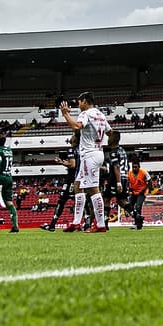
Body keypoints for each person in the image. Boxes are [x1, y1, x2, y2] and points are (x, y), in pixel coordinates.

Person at [58, 92, 111, 233]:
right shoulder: (100, 114)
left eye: (79, 102)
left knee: (93, 189)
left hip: (89, 155)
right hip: (98, 152)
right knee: (77, 184)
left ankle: (100, 224)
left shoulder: (86, 113)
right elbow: (110, 132)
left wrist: (65, 114)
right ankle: (76, 222)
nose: (78, 104)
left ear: (85, 101)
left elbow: (76, 126)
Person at [126, 156, 148, 230]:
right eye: (133, 167)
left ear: (139, 167)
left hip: (142, 192)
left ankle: (138, 224)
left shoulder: (144, 172)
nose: (134, 168)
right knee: (129, 206)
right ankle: (139, 219)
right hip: (133, 192)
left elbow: (149, 181)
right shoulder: (129, 173)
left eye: (136, 167)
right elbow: (128, 182)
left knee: (138, 207)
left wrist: (145, 189)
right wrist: (129, 189)